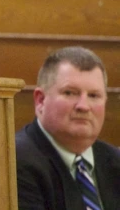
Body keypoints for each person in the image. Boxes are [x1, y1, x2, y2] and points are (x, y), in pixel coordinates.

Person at [16, 46, 120, 210]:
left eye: (93, 95)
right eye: (70, 93)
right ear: (40, 100)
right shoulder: (15, 162)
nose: (84, 106)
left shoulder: (116, 161)